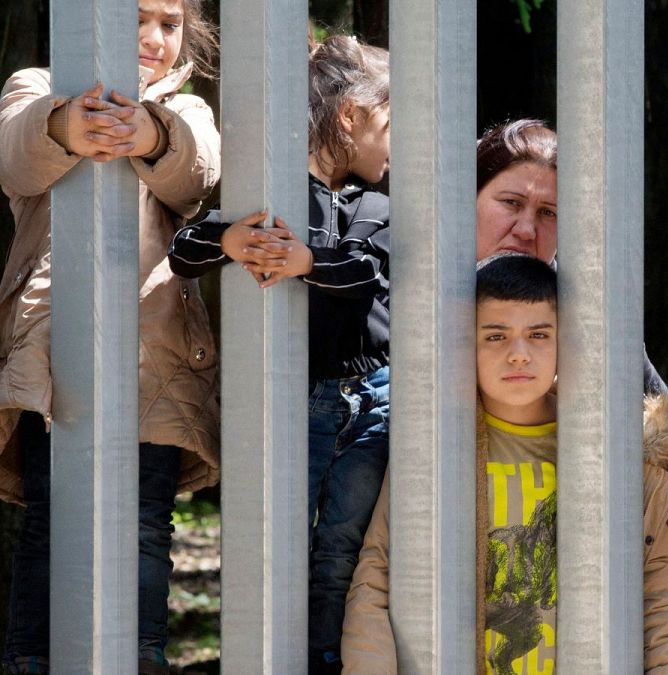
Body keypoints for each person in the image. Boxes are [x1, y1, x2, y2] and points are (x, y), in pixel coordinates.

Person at [339, 254, 668, 673]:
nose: (518, 354)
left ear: (564, 343)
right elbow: (377, 575)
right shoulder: (434, 447)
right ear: (467, 345)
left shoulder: (616, 456)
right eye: (496, 336)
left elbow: (661, 595)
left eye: (538, 334)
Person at [0, 1, 220, 672]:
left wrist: (151, 133)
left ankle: (139, 653)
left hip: (156, 351)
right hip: (53, 348)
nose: (153, 38)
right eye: (136, 19)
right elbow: (15, 159)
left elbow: (197, 175)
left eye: (170, 25)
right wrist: (65, 124)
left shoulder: (185, 108)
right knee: (54, 514)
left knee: (146, 519)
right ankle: (33, 656)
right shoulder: (38, 87)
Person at [166, 34, 391, 673]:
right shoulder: (272, 192)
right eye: (391, 124)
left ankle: (327, 658)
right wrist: (231, 240)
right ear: (350, 116)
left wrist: (306, 261)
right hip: (297, 399)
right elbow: (184, 251)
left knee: (344, 545)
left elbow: (368, 273)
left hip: (373, 400)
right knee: (281, 540)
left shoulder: (380, 203)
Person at [475, 119, 668, 396]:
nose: (526, 230)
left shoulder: (596, 323)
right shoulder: (418, 299)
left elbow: (658, 415)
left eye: (548, 212)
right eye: (511, 203)